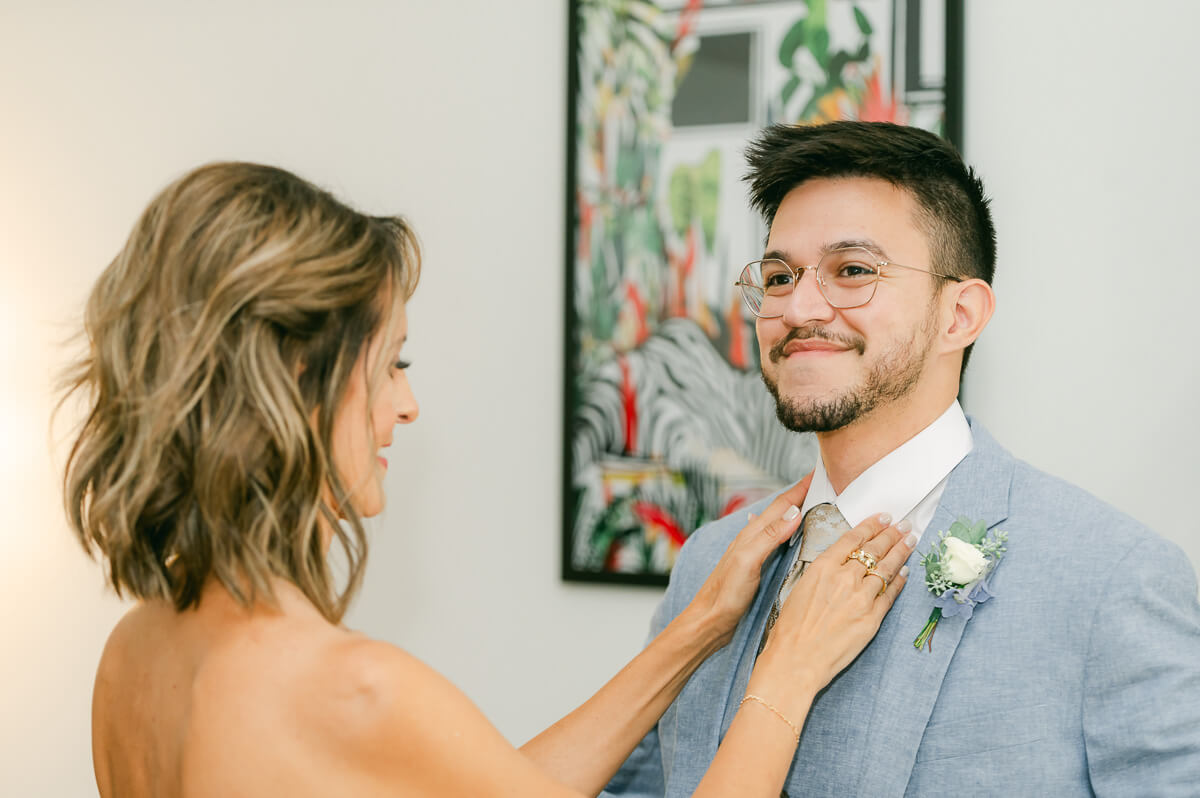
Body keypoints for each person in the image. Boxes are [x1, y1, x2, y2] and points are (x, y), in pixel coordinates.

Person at [61, 161, 917, 797]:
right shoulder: (348, 688)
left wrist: (697, 629)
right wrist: (787, 671)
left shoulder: (136, 650)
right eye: (391, 362)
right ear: (294, 380)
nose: (407, 404)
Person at [605, 121, 1200, 797]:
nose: (798, 308)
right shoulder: (709, 566)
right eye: (778, 276)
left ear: (960, 315)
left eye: (852, 271)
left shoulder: (1109, 578)